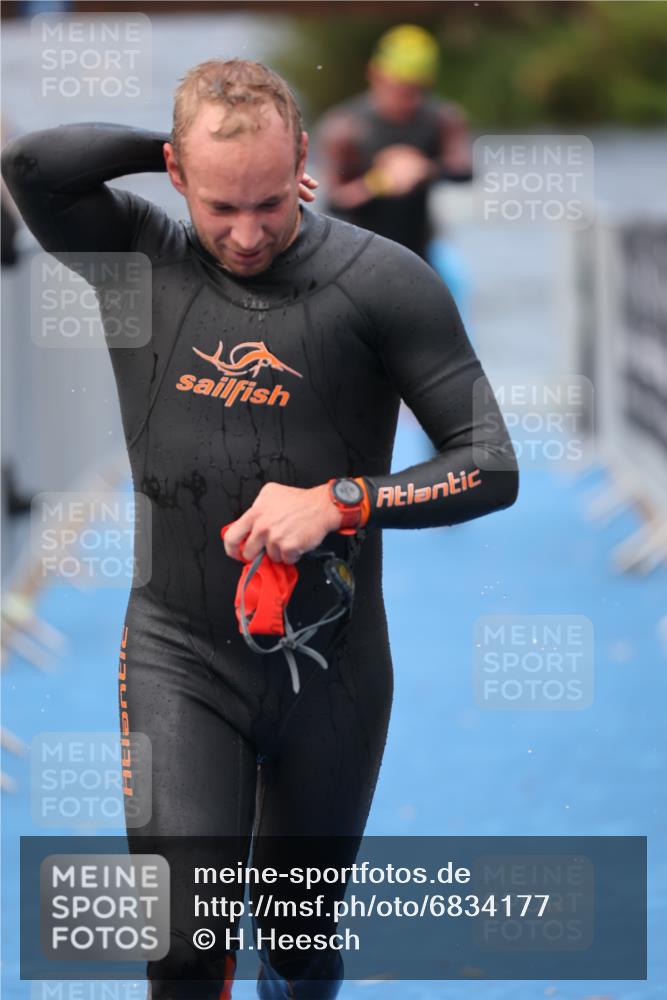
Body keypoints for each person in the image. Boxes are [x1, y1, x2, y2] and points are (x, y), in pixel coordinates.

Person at [2, 59, 517, 1000]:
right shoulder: (137, 255)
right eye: (221, 204)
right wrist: (172, 142)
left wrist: (343, 499)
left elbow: (491, 462)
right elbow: (34, 165)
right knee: (186, 945)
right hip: (177, 654)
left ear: (308, 162)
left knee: (296, 941)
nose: (247, 234)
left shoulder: (379, 282)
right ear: (175, 174)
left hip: (333, 671)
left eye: (272, 203)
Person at [316, 23, 473, 262]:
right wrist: (382, 181)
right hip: (360, 255)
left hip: (421, 252)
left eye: (416, 91)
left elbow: (466, 171)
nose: (407, 100)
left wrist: (424, 168)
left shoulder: (441, 119)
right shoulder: (345, 127)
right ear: (375, 74)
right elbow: (333, 202)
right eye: (398, 89)